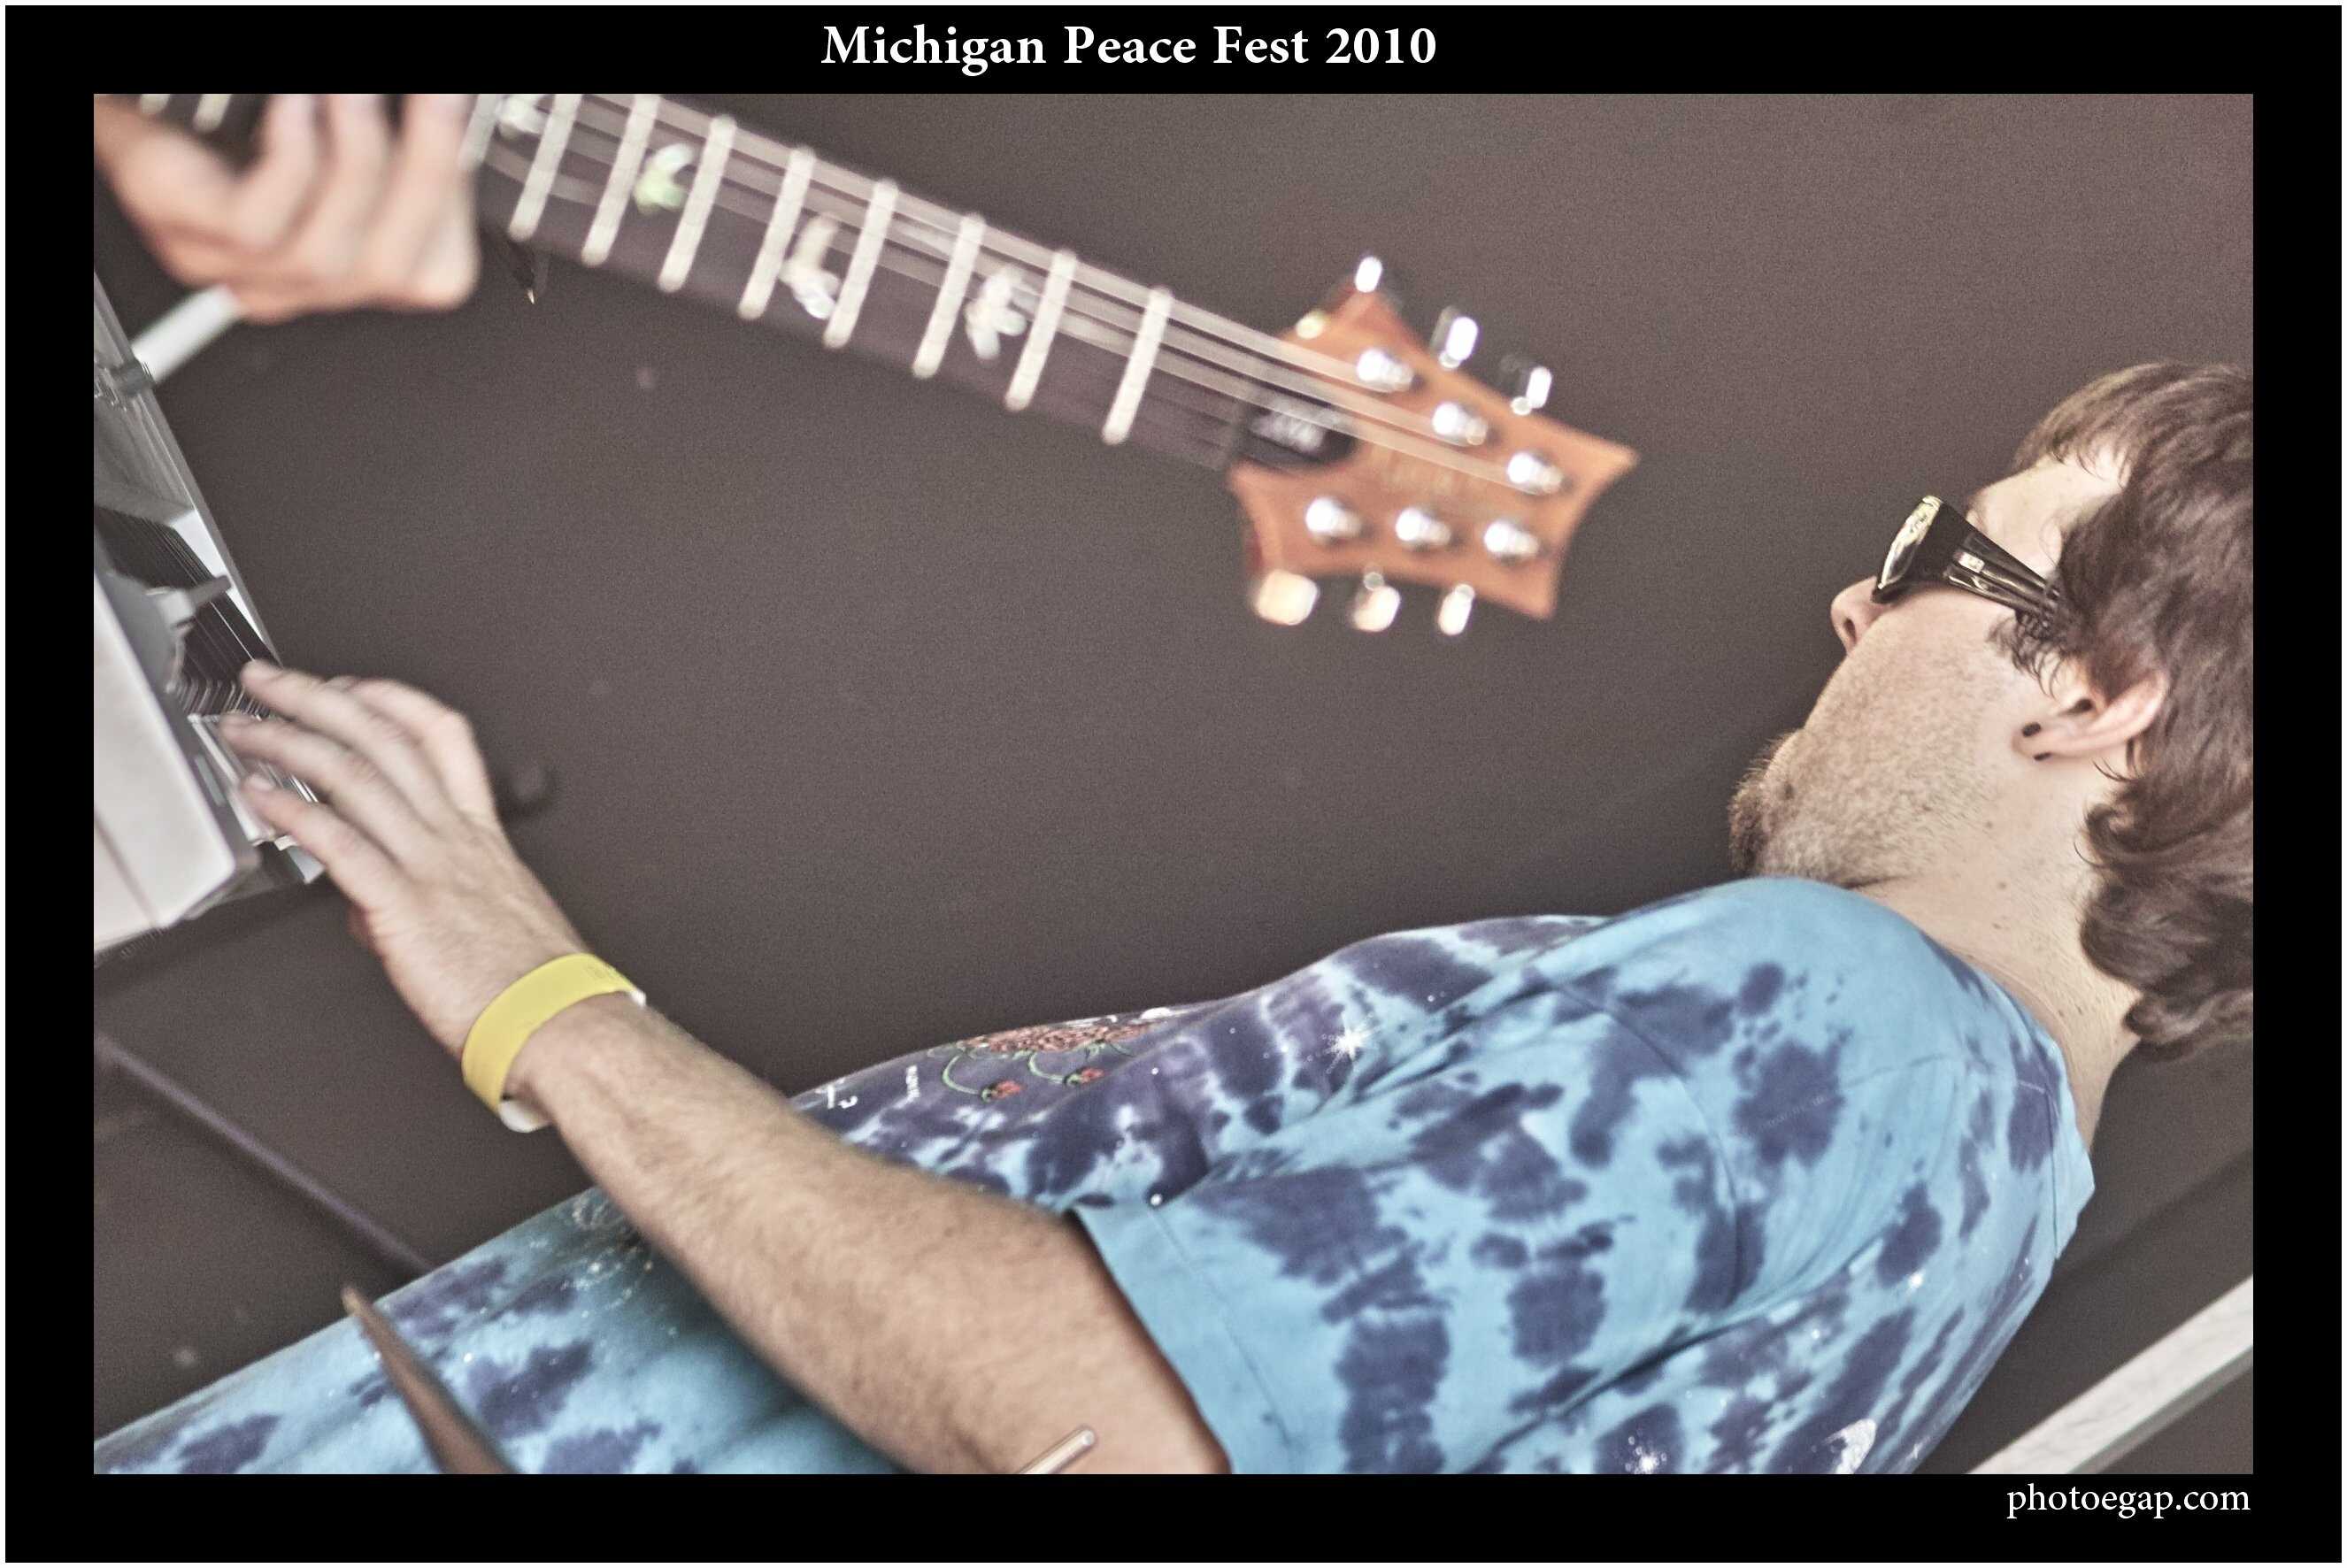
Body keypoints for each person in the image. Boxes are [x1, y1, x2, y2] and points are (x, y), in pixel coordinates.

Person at [91, 98, 2253, 1475]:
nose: (1860, 604)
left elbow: (1097, 1435)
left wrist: (538, 992)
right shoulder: (1992, 1222)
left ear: (2099, 699)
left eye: (1942, 557)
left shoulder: (1841, 1013)